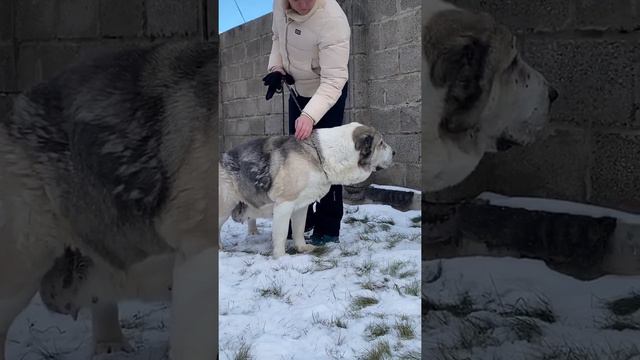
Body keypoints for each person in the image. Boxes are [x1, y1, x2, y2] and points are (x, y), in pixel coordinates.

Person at [264, 0, 350, 245]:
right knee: (298, 157)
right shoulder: (279, 6)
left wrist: (310, 116)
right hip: (298, 88)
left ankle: (328, 224)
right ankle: (304, 219)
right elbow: (277, 37)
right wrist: (277, 69)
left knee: (326, 159)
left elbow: (334, 80)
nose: (302, 4)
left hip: (328, 89)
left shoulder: (333, 20)